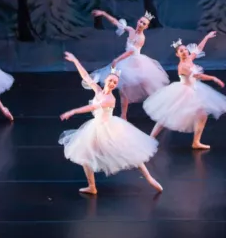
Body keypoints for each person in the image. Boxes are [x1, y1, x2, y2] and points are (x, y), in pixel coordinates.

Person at [59, 52, 163, 195]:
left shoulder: (109, 99)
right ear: (106, 79)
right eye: (111, 80)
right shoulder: (99, 91)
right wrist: (76, 61)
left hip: (110, 129)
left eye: (115, 82)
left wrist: (73, 112)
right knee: (85, 155)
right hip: (96, 128)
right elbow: (86, 77)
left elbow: (92, 107)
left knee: (130, 153)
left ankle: (150, 178)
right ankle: (92, 186)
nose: (113, 83)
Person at [143, 32, 226, 150]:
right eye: (181, 51)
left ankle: (196, 142)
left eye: (185, 49)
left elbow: (198, 49)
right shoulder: (182, 66)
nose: (185, 52)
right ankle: (151, 138)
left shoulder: (189, 58)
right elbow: (197, 76)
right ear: (177, 55)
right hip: (183, 92)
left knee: (202, 114)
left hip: (192, 89)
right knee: (166, 117)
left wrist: (206, 37)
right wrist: (213, 78)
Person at [89, 9, 169, 120]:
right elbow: (116, 23)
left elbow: (131, 52)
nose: (141, 24)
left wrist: (117, 60)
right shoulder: (131, 30)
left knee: (150, 88)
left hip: (136, 64)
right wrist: (104, 14)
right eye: (141, 22)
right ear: (138, 21)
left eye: (144, 24)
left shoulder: (141, 38)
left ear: (146, 27)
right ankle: (124, 115)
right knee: (123, 90)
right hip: (127, 62)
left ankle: (163, 109)